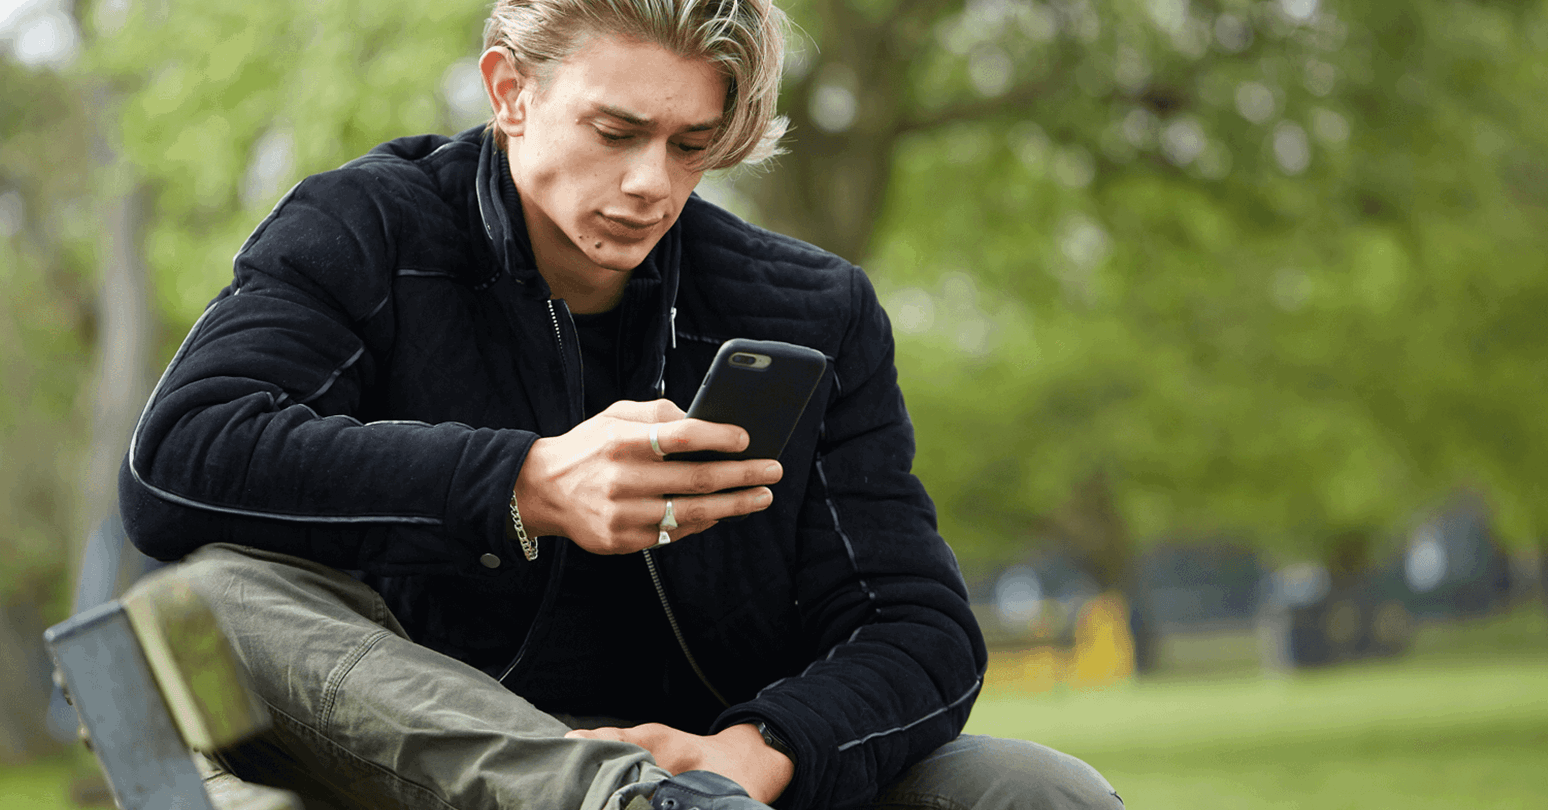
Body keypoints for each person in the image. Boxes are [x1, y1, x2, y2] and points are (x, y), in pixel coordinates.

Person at [119, 1, 1122, 808]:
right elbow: (179, 463)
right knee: (199, 605)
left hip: (718, 770)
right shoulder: (368, 228)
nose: (651, 184)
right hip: (430, 768)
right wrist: (525, 482)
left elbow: (920, 627)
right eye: (618, 131)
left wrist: (752, 752)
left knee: (1040, 788)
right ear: (510, 90)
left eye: (692, 145)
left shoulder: (813, 310)